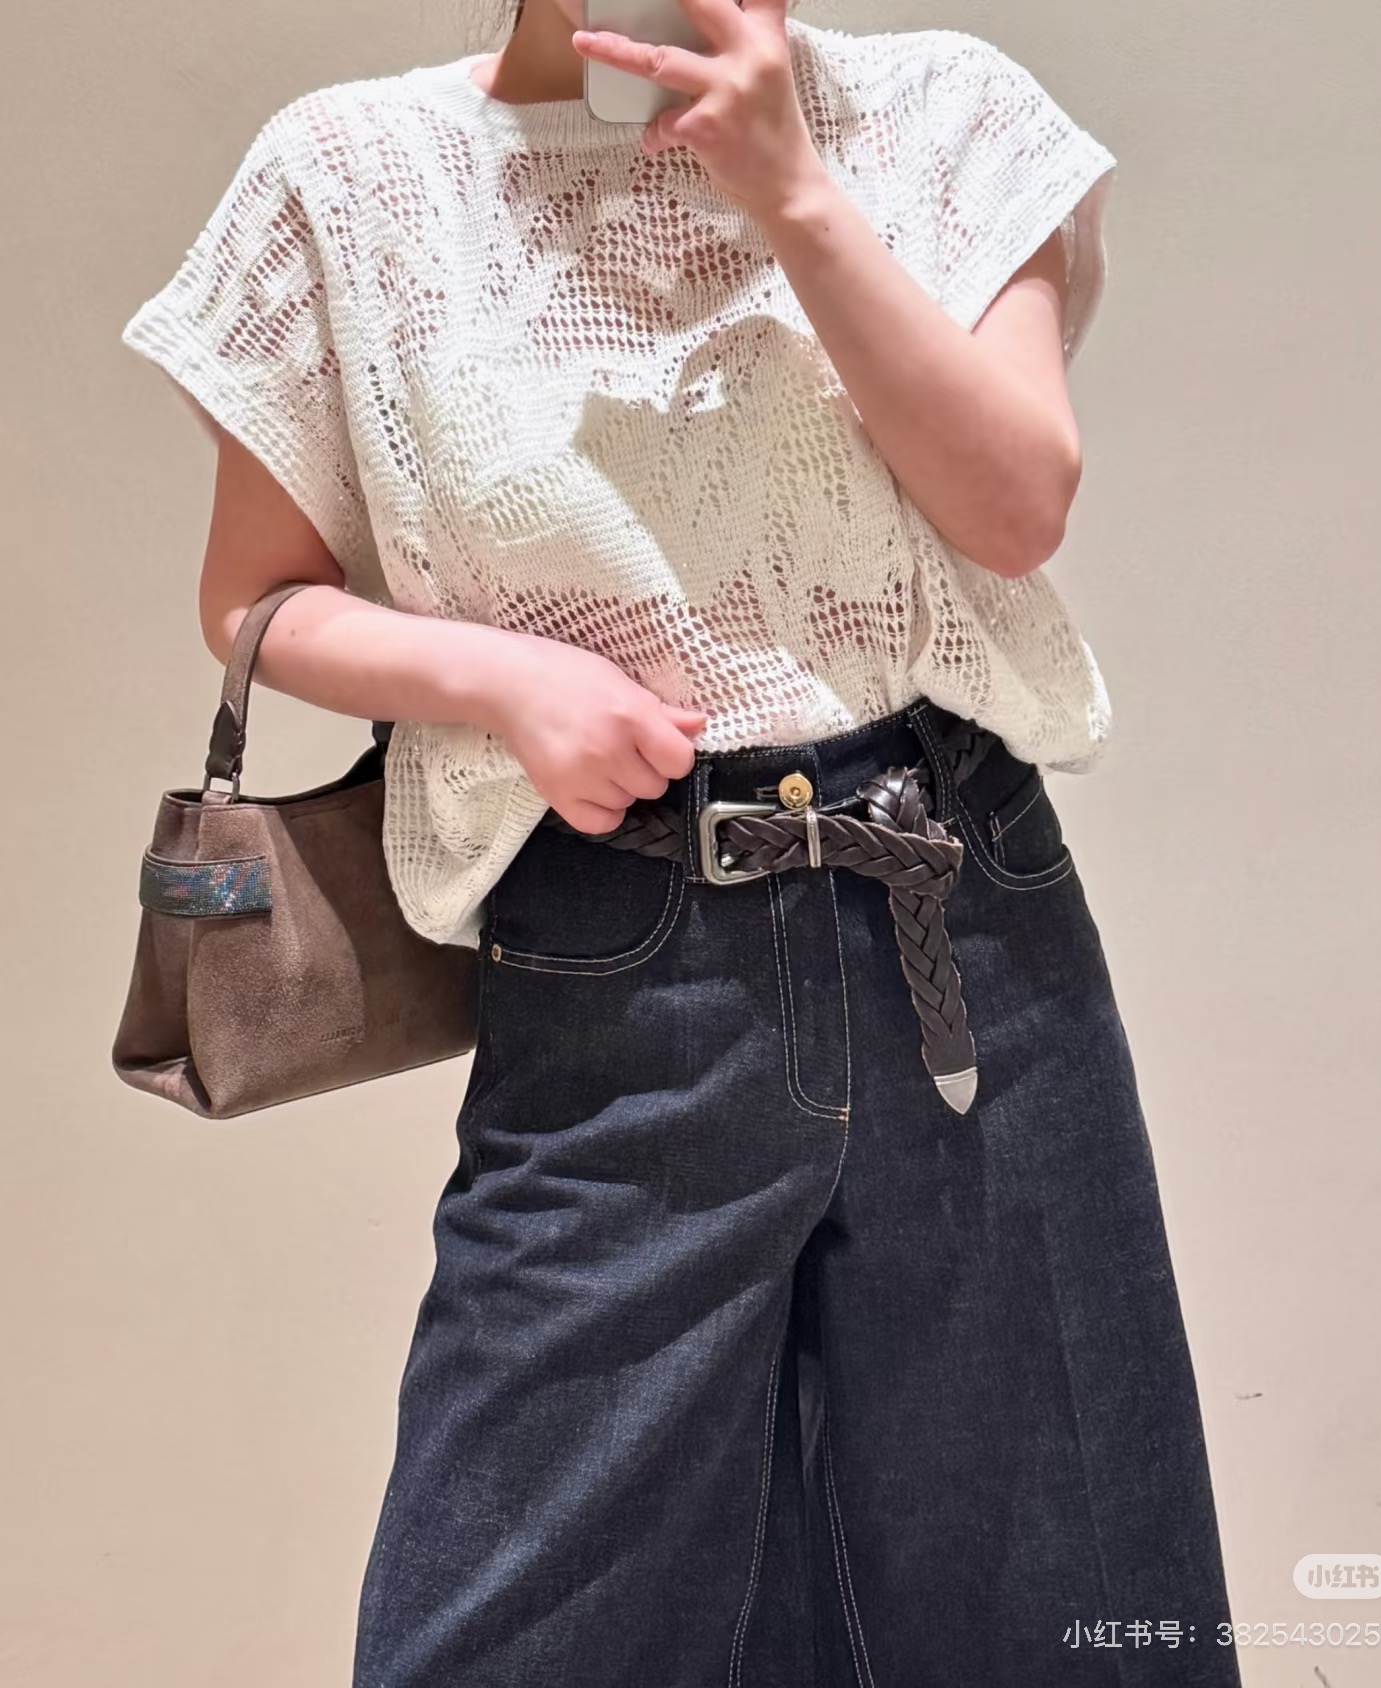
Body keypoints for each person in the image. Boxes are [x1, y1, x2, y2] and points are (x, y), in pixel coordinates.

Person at [120, 1, 1244, 1682]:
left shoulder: (940, 115)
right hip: (619, 959)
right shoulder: (352, 175)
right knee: (505, 1628)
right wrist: (503, 684)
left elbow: (1017, 506)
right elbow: (255, 600)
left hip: (962, 937)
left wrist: (792, 188)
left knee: (1063, 1612)